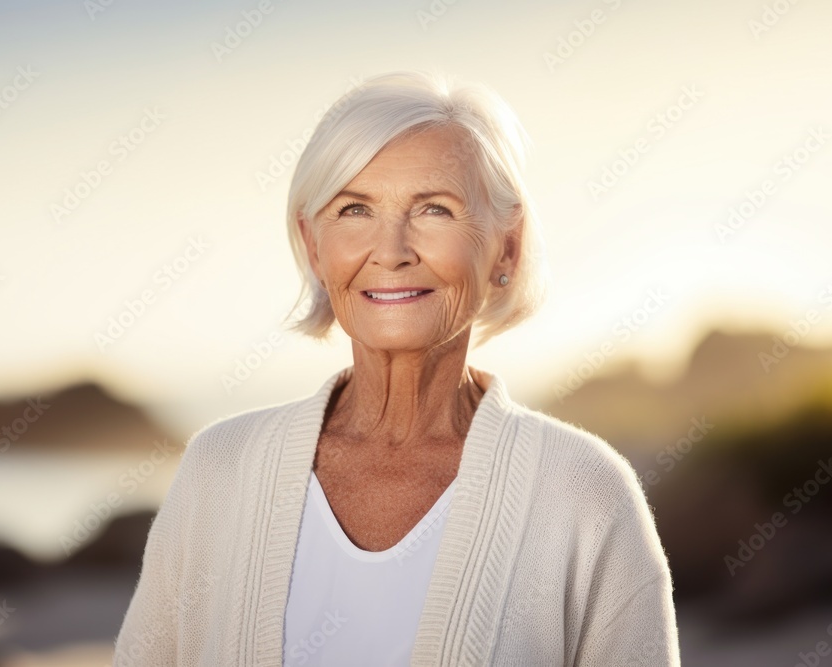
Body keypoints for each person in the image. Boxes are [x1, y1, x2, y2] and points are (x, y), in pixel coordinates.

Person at [113, 70, 680, 666]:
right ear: (313, 245)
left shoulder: (584, 493)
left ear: (505, 248)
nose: (390, 250)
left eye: (434, 209)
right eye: (355, 209)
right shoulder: (218, 472)